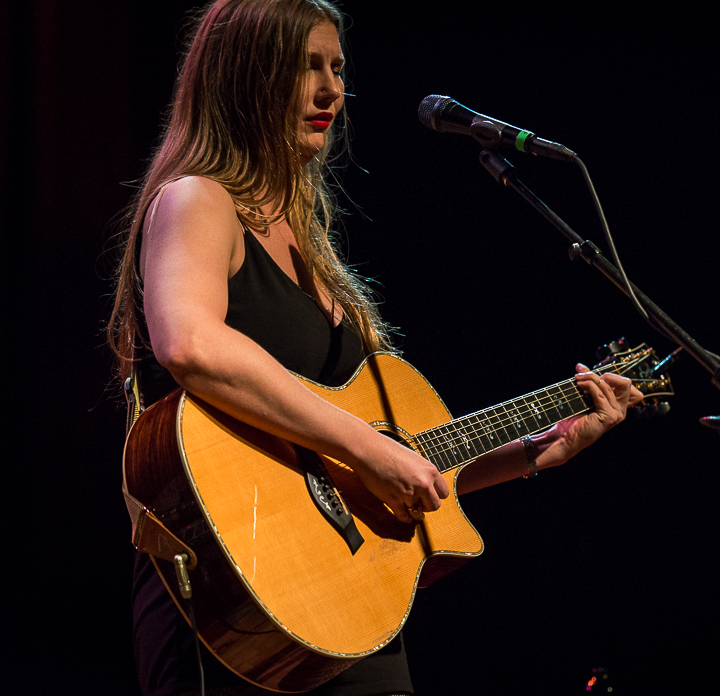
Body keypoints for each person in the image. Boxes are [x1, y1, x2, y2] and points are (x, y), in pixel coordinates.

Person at [108, 1, 640, 694]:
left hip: (340, 605)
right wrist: (368, 447)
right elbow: (190, 344)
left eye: (338, 68)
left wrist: (537, 450)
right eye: (306, 67)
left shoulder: (309, 246)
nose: (332, 89)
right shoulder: (196, 200)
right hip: (226, 597)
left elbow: (387, 472)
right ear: (244, 76)